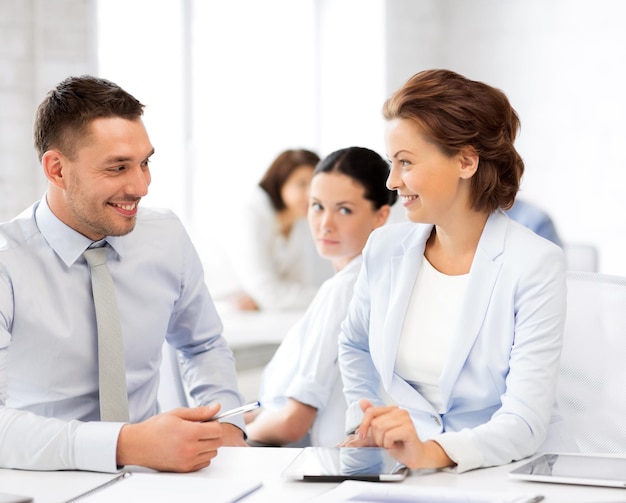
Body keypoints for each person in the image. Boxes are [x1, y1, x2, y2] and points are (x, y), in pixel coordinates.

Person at [0, 75, 246, 473]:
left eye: (145, 163)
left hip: (158, 479)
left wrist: (228, 426)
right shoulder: (7, 265)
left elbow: (202, 345)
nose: (141, 186)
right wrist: (124, 445)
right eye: (117, 168)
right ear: (57, 169)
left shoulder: (165, 236)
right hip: (43, 479)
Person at [338, 69, 569, 473]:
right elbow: (354, 344)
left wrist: (434, 453)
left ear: (465, 161)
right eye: (392, 163)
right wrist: (366, 421)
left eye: (405, 162)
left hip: (485, 474)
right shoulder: (384, 247)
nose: (392, 181)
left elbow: (524, 422)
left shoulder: (535, 264)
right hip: (393, 470)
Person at [246, 147, 396, 447]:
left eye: (344, 210)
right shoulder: (374, 278)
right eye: (316, 206)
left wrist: (229, 435)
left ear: (381, 215)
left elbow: (292, 422)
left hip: (311, 455)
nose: (325, 223)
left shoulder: (344, 290)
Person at [225, 149, 333, 311]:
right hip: (225, 305)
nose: (310, 194)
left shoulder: (300, 222)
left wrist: (265, 298)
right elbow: (268, 294)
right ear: (280, 183)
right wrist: (332, 295)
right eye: (301, 184)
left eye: (315, 184)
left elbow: (296, 284)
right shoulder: (251, 216)